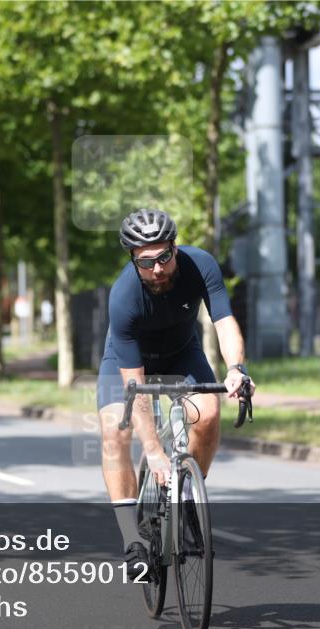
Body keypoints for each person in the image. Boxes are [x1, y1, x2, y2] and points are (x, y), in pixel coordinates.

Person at [96, 208, 256, 578]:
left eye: (164, 257)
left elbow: (224, 321)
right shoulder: (123, 296)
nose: (157, 269)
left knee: (209, 412)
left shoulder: (201, 265)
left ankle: (186, 499)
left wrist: (236, 369)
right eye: (146, 261)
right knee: (114, 433)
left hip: (182, 353)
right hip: (127, 360)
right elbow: (135, 388)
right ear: (133, 260)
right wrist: (153, 452)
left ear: (175, 247)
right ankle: (132, 542)